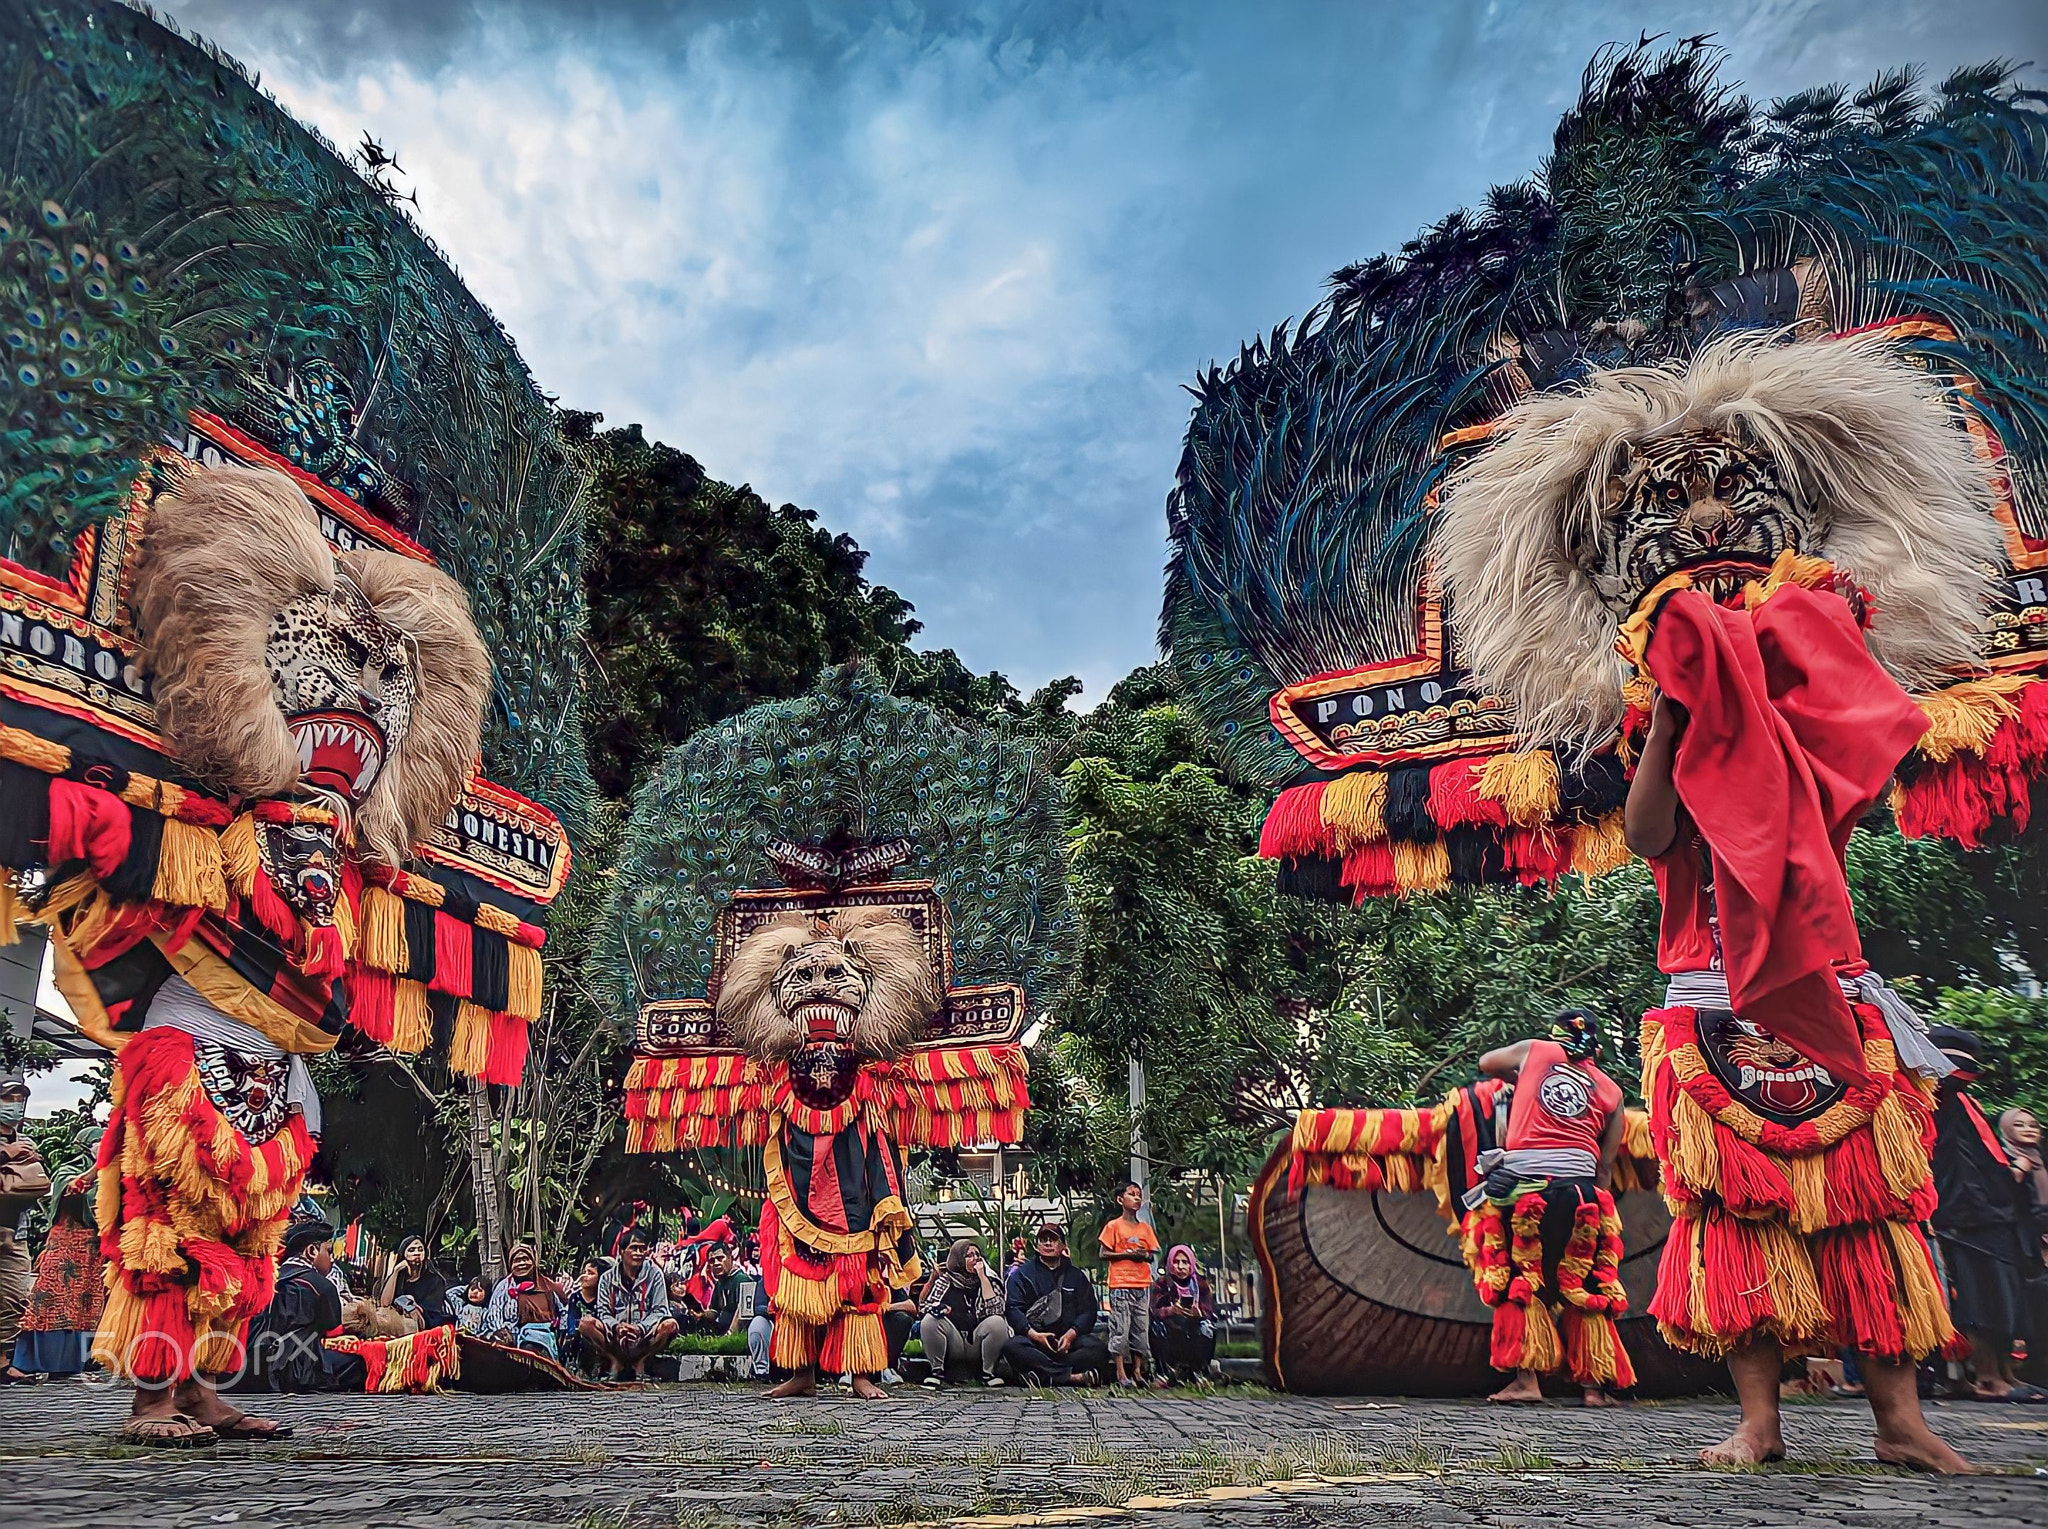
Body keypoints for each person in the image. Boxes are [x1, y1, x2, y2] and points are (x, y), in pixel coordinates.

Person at [1627, 687, 1970, 1471]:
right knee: (1738, 1222)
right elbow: (1643, 830)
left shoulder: (1810, 790)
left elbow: (1868, 769)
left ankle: (1901, 1424)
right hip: (1715, 1020)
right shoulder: (1680, 805)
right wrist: (1670, 728)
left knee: (1872, 1222)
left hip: (1831, 1004)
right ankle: (1760, 1425)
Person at [1470, 1011, 1631, 1408]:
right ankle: (1594, 1388)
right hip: (1582, 1195)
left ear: (1555, 1037)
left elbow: (1486, 1063)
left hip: (1526, 1192)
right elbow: (1605, 1167)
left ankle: (1527, 1381)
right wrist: (1599, 1213)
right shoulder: (1610, 1089)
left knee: (1522, 1279)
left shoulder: (1536, 1050)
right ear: (1596, 1047)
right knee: (1587, 1283)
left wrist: (1523, 1076)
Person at [1929, 1030, 2042, 1402]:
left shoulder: (1957, 1100)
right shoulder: (1945, 1100)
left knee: (1989, 1295)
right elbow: (1962, 1167)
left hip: (1976, 1215)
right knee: (1980, 1297)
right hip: (1969, 1217)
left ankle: (1989, 1375)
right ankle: (1989, 1379)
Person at [9, 1123, 105, 1381]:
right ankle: (28, 1364)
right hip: (66, 1251)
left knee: (85, 1309)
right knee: (54, 1306)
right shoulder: (68, 1171)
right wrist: (98, 1171)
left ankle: (74, 1366)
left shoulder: (114, 1174)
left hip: (94, 1253)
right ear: (86, 1146)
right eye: (98, 1142)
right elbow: (75, 1192)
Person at [1000, 1223, 1109, 1387]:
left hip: (1069, 1344)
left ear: (1063, 1245)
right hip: (1036, 1342)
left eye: (1053, 1239)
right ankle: (1073, 1378)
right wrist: (1034, 1335)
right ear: (1037, 1246)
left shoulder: (1076, 1276)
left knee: (1098, 1349)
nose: (1048, 1243)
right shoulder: (1023, 1275)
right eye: (1043, 1240)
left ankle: (1043, 1376)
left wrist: (1071, 1334)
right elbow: (1013, 1309)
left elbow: (1089, 1311)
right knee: (1012, 1347)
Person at [246, 1221, 344, 1392]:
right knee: (357, 1363)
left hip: (253, 1367)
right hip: (298, 1371)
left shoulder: (267, 1281)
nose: (332, 1259)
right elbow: (334, 1335)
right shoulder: (322, 1286)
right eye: (328, 1251)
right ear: (311, 1251)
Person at [0, 1071, 47, 1386]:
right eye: (8, 1099)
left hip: (13, 1227)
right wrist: (7, 1155)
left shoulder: (24, 1139)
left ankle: (2, 1360)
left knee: (16, 1296)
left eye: (20, 1100)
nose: (15, 1106)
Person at [585, 1229, 679, 1381]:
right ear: (621, 1251)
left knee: (670, 1325)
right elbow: (603, 1312)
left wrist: (640, 1328)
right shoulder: (606, 1278)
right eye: (634, 1248)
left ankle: (641, 1361)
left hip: (644, 1336)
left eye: (642, 1248)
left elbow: (660, 1310)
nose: (639, 1253)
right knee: (586, 1324)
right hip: (615, 1336)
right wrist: (617, 1327)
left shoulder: (655, 1274)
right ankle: (614, 1360)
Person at [919, 1240, 1010, 1388]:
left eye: (977, 1255)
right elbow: (925, 1307)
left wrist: (982, 1277)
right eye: (969, 1255)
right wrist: (941, 1309)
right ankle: (937, 1371)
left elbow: (997, 1310)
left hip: (976, 1340)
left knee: (997, 1322)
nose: (975, 1259)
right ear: (958, 1259)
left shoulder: (989, 1280)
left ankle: (988, 1372)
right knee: (930, 1320)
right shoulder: (945, 1280)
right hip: (954, 1340)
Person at [1097, 1180, 1161, 1387]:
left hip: (1141, 1284)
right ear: (1120, 1199)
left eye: (1138, 1195)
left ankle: (1137, 1371)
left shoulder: (1145, 1229)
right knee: (1120, 1328)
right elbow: (1103, 1252)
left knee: (1140, 1328)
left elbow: (1151, 1255)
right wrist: (1126, 1253)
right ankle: (1120, 1372)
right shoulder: (1113, 1226)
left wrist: (1143, 1255)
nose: (1136, 1198)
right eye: (1131, 1194)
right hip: (1120, 1283)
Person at [1149, 1245, 1216, 1384]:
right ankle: (1163, 1372)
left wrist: (1198, 1313)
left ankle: (1200, 1372)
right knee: (1155, 1327)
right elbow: (1154, 1310)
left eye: (1185, 1262)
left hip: (1193, 1329)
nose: (1180, 1266)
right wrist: (1171, 1310)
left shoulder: (1201, 1284)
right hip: (1171, 1329)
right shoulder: (1162, 1283)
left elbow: (1209, 1311)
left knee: (1208, 1327)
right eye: (1176, 1262)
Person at [485, 1242, 563, 1358]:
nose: (521, 1264)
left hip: (540, 1338)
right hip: (509, 1337)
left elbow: (563, 1310)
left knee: (531, 1347)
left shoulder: (547, 1286)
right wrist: (501, 1331)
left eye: (525, 1259)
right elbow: (494, 1312)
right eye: (517, 1260)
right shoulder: (504, 1287)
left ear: (533, 1261)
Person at [380, 1236, 454, 1330]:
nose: (417, 1253)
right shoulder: (398, 1278)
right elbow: (384, 1304)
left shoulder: (435, 1280)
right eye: (411, 1250)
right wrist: (395, 1271)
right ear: (404, 1254)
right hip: (395, 1321)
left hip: (425, 1324)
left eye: (420, 1249)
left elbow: (430, 1311)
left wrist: (410, 1303)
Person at [560, 1258, 608, 1375]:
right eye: (584, 1272)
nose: (584, 1276)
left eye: (590, 1273)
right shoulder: (575, 1297)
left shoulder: (602, 1299)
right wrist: (572, 1332)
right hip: (576, 1334)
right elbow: (571, 1319)